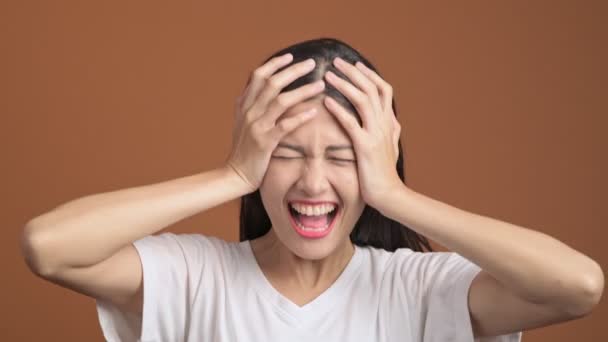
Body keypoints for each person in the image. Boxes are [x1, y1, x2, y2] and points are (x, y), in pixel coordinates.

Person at [21, 37, 601, 341]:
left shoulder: (420, 289)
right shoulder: (195, 277)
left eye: (343, 158)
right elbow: (49, 247)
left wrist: (394, 193)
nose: (313, 183)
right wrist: (230, 175)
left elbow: (578, 286)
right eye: (286, 154)